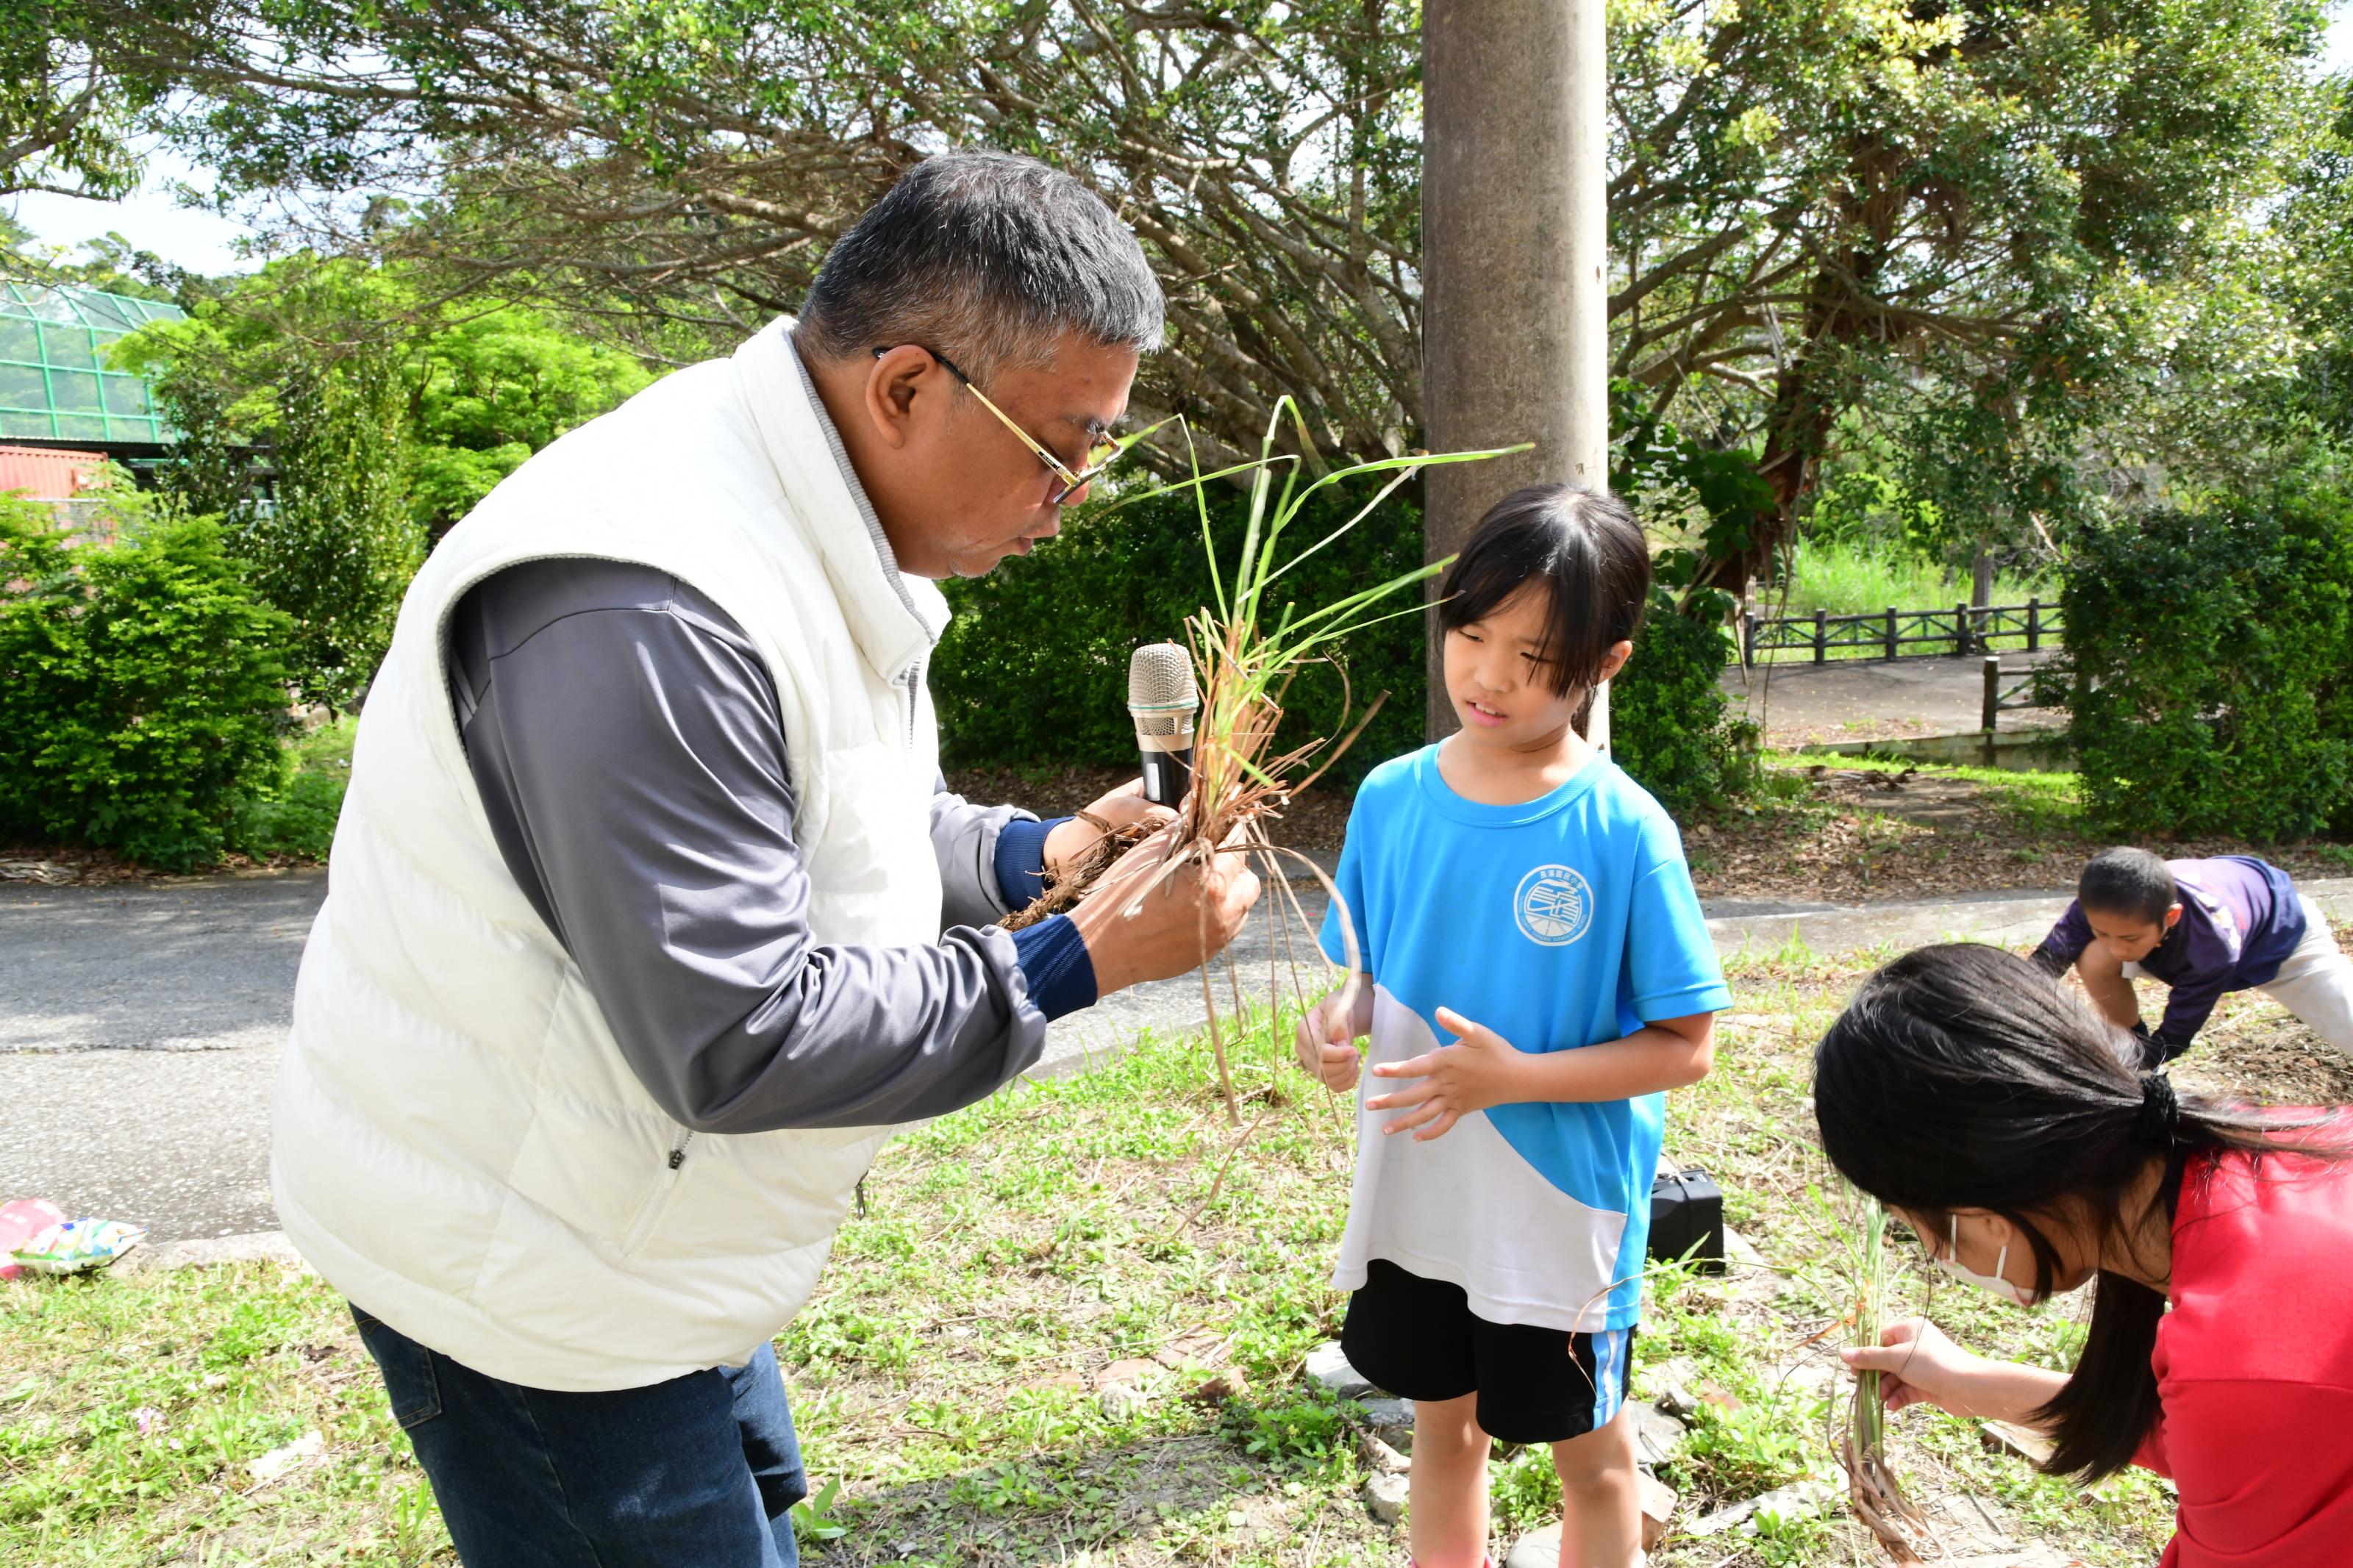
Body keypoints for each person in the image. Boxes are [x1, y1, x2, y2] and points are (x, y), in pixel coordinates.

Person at [270, 152, 1262, 1567]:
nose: (1080, 489)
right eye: (1065, 442)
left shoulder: (810, 514)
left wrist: (1043, 851)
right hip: (534, 1273)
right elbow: (737, 1033)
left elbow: (834, 816)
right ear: (908, 386)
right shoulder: (649, 600)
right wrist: (1080, 953)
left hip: (648, 1223)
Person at [1293, 486, 1730, 1568]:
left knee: (1592, 1455)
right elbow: (1367, 970)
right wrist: (1337, 1019)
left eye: (1532, 654)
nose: (1487, 674)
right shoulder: (1391, 797)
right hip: (1417, 1194)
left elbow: (1688, 1046)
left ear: (1604, 664)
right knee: (1445, 1430)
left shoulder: (1625, 828)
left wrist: (1515, 1076)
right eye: (1472, 632)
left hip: (1556, 1211)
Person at [1817, 942, 2353, 1568]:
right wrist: (1968, 1382)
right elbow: (2230, 1442)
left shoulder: (2248, 1362)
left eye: (1917, 1229)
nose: (1936, 1254)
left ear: (1985, 1220)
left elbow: (2249, 1416)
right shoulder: (2289, 1146)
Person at [2030, 848, 2352, 1064]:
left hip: (2283, 938)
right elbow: (2046, 962)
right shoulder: (2110, 899)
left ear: (2170, 917)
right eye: (2102, 931)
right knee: (2094, 956)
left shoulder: (2211, 946)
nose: (2118, 949)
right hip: (2195, 922)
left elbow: (2174, 1037)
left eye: (2129, 938)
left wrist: (2138, 1064)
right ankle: (2129, 1037)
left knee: (2348, 1022)